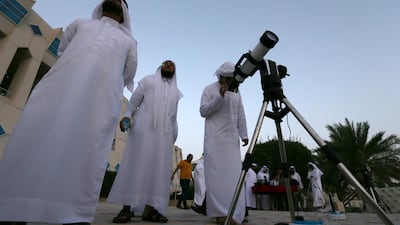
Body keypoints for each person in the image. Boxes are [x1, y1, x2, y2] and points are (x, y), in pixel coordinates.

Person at [0, 1, 137, 224]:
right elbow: (63, 50)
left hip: (99, 100)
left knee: (86, 147)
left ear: (125, 14)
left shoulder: (129, 42)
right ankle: (16, 206)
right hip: (61, 87)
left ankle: (73, 212)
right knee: (36, 137)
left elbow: (127, 73)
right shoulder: (80, 24)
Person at [107, 60, 182, 224]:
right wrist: (126, 117)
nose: (169, 65)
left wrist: (173, 136)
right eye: (166, 63)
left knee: (157, 172)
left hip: (163, 138)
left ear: (175, 71)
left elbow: (174, 118)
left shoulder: (176, 93)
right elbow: (132, 106)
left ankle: (152, 210)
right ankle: (126, 209)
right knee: (135, 167)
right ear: (160, 67)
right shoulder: (147, 81)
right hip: (143, 133)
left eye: (172, 64)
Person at [200, 62, 249, 225]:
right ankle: (220, 214)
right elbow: (203, 111)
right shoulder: (209, 89)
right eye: (224, 78)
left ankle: (236, 212)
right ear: (219, 75)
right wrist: (219, 97)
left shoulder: (236, 91)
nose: (226, 81)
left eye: (229, 78)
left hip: (232, 140)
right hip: (215, 140)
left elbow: (240, 112)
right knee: (216, 178)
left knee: (234, 177)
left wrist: (244, 134)